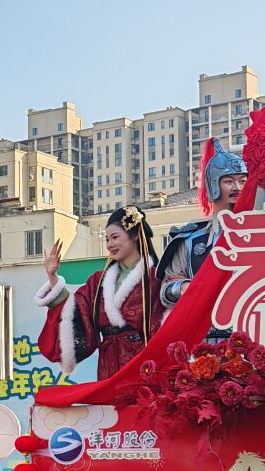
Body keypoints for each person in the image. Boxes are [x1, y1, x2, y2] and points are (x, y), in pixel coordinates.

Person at [37, 206, 164, 381]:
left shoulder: (155, 278)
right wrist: (53, 277)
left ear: (135, 235)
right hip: (108, 363)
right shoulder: (98, 281)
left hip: (142, 362)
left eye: (115, 237)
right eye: (107, 239)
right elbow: (76, 309)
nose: (110, 244)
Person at [157, 143, 249, 309]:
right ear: (213, 184)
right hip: (205, 320)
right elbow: (166, 290)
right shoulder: (191, 239)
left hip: (248, 318)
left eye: (243, 181)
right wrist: (184, 287)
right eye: (229, 181)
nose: (237, 188)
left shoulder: (261, 233)